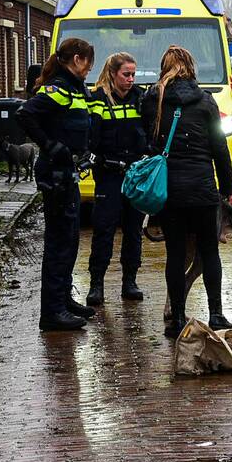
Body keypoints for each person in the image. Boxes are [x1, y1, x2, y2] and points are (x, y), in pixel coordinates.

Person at [141, 46, 232, 338]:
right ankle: (217, 314)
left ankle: (178, 318)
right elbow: (220, 149)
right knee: (209, 252)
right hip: (203, 189)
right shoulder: (206, 102)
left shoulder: (152, 100)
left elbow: (148, 143)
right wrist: (227, 190)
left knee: (175, 253)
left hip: (171, 193)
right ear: (191, 68)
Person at [16, 38, 99, 331]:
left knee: (71, 240)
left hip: (68, 174)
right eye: (88, 62)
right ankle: (52, 312)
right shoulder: (58, 88)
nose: (90, 68)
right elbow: (25, 114)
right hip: (56, 176)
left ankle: (63, 299)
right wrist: (51, 146)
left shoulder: (74, 88)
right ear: (76, 59)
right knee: (59, 244)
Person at [86, 52, 147, 306]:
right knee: (104, 230)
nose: (131, 79)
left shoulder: (140, 98)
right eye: (126, 74)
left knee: (133, 231)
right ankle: (96, 284)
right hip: (108, 175)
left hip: (134, 175)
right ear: (113, 74)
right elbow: (90, 138)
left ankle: (129, 281)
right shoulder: (98, 99)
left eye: (133, 74)